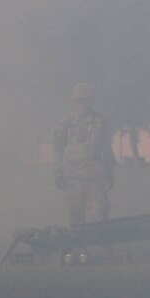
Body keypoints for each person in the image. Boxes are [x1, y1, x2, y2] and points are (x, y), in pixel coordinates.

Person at [53, 83, 116, 227]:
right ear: (74, 102)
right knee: (75, 221)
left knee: (100, 219)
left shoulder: (101, 122)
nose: (83, 104)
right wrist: (58, 173)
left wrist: (109, 171)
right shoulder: (66, 122)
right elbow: (57, 148)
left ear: (92, 101)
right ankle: (79, 250)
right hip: (72, 180)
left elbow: (106, 148)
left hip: (95, 178)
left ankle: (104, 248)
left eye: (87, 100)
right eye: (79, 100)